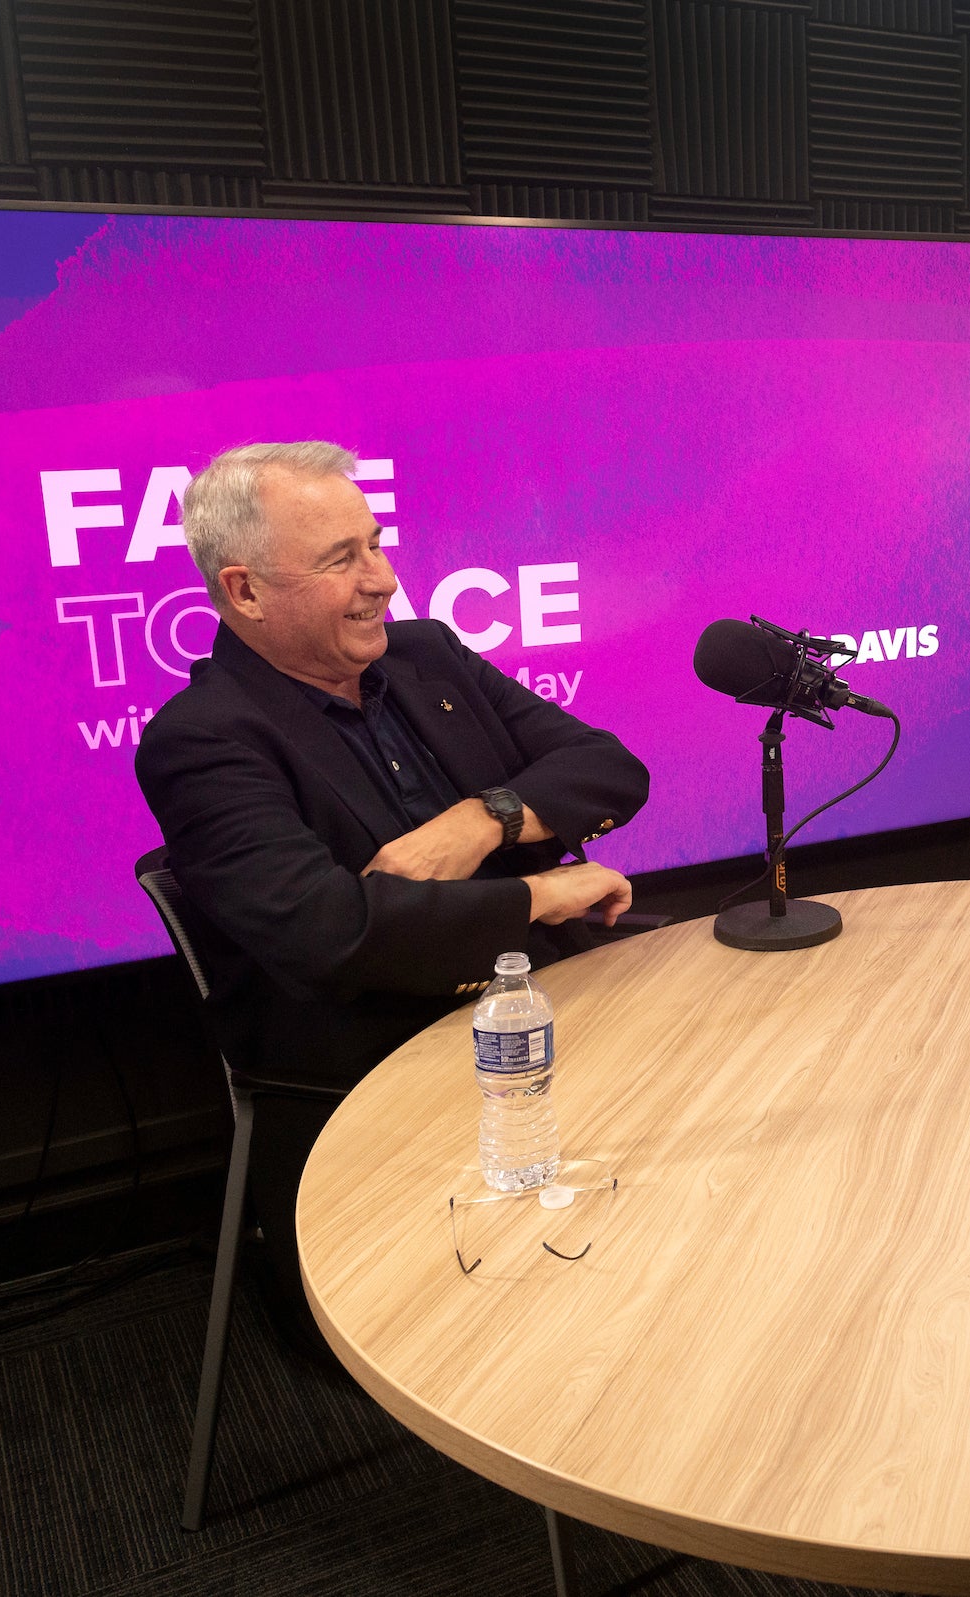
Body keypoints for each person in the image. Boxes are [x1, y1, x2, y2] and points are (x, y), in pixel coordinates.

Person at [135, 441, 649, 1345]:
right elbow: (334, 936)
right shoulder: (203, 740)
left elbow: (610, 767)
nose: (383, 579)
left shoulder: (427, 658)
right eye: (343, 559)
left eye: (375, 544)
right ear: (244, 591)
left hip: (543, 991)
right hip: (386, 1040)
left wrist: (481, 822)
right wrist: (540, 897)